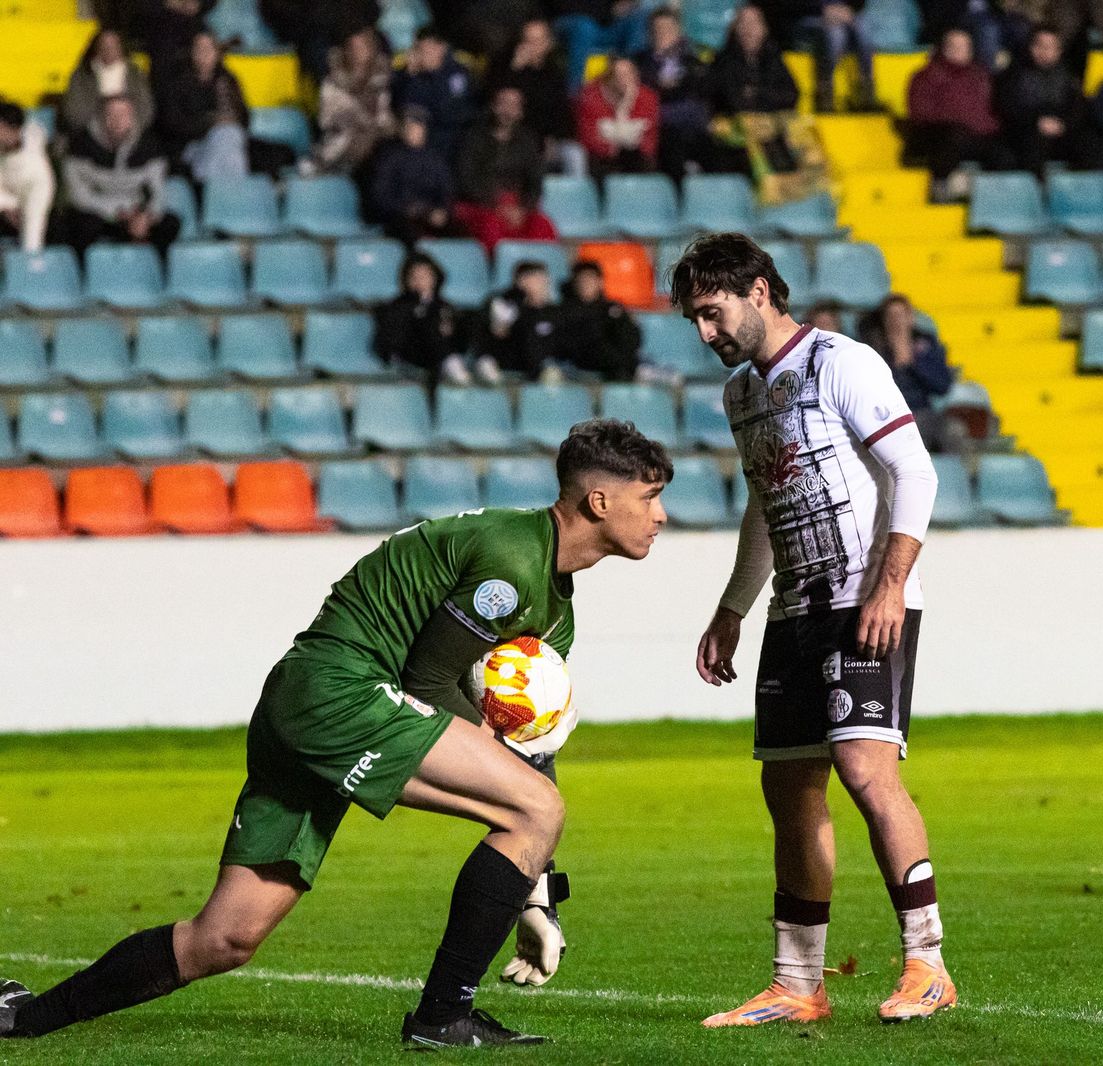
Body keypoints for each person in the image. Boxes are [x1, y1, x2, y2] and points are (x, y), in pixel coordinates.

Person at [0, 419, 673, 1050]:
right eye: (650, 498)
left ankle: (23, 1019)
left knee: (225, 938)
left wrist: (534, 889)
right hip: (337, 691)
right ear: (599, 500)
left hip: (309, 701)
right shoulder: (512, 561)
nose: (662, 516)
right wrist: (529, 835)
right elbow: (428, 684)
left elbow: (526, 750)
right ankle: (443, 1017)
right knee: (536, 806)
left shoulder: (557, 609)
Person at [672, 232, 952, 1028]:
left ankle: (927, 964)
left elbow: (915, 471)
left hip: (865, 596)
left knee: (865, 770)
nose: (705, 334)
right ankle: (799, 984)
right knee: (788, 785)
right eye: (695, 319)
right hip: (794, 606)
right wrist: (732, 607)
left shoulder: (843, 362)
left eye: (712, 313)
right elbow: (767, 502)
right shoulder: (743, 395)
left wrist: (889, 588)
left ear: (759, 290)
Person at [61, 94, 180, 256]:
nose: (117, 120)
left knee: (170, 223)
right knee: (81, 225)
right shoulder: (80, 145)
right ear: (101, 116)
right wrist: (117, 211)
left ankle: (152, 275)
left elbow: (158, 191)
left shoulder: (150, 145)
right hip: (99, 212)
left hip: (135, 213)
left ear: (132, 117)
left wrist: (147, 216)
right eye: (111, 114)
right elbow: (78, 195)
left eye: (123, 114)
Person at [454, 85, 557, 251]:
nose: (508, 111)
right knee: (490, 226)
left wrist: (523, 207)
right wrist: (497, 205)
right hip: (483, 205)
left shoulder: (527, 141)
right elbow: (467, 179)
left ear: (521, 111)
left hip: (518, 206)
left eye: (514, 106)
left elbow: (534, 180)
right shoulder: (473, 138)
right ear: (494, 106)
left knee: (543, 226)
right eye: (503, 104)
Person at [903, 28, 1002, 191]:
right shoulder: (925, 76)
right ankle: (939, 187)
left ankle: (995, 197)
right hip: (938, 135)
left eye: (964, 47)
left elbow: (990, 111)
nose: (959, 51)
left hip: (976, 136)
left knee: (1002, 153)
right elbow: (920, 113)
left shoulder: (981, 75)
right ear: (943, 48)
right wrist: (958, 121)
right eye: (953, 46)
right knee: (955, 136)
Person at [994, 26, 1099, 175]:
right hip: (1027, 131)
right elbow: (1007, 108)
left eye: (1050, 47)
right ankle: (1036, 194)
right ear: (1032, 47)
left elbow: (1078, 108)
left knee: (1090, 144)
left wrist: (1063, 125)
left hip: (1061, 130)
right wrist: (1036, 122)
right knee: (1031, 145)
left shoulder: (1068, 76)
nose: (1045, 51)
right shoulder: (1013, 74)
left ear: (1058, 50)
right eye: (1040, 46)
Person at [375, 250, 490, 385]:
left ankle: (483, 360)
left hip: (442, 351)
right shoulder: (398, 305)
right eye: (415, 277)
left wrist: (450, 328)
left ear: (434, 278)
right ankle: (450, 363)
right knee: (429, 321)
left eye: (424, 276)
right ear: (406, 280)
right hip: (412, 354)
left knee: (473, 318)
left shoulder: (444, 305)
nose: (420, 281)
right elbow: (393, 337)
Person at [858, 294, 955, 451]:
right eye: (891, 316)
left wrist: (913, 364)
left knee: (953, 430)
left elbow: (942, 386)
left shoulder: (926, 345)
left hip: (924, 413)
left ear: (911, 318)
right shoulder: (873, 349)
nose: (897, 321)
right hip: (886, 416)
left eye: (901, 315)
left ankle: (966, 475)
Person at [153, 29, 250, 182]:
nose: (204, 54)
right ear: (191, 52)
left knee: (230, 137)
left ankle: (213, 189)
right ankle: (232, 192)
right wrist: (211, 122)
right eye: (199, 49)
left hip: (228, 139)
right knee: (226, 139)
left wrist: (227, 120)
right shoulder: (177, 83)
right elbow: (172, 124)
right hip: (190, 144)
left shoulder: (228, 80)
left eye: (208, 49)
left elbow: (244, 118)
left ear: (217, 53)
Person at [487, 19, 577, 173]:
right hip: (513, 136)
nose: (532, 46)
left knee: (574, 154)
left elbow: (561, 112)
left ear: (548, 44)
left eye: (538, 41)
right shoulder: (502, 66)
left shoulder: (554, 73)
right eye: (528, 40)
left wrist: (554, 138)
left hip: (547, 138)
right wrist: (515, 67)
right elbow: (493, 100)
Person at [633, 9, 714, 179]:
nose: (662, 34)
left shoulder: (694, 63)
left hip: (689, 126)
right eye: (658, 30)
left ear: (678, 32)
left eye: (667, 29)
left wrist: (665, 90)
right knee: (670, 142)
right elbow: (640, 95)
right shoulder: (639, 63)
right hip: (657, 128)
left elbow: (699, 97)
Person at [309, 27, 395, 177]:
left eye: (362, 47)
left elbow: (384, 116)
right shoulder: (332, 81)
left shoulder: (383, 79)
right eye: (353, 47)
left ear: (371, 49)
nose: (358, 52)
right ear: (346, 50)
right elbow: (327, 119)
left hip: (376, 143)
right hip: (343, 141)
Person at [370, 107, 459, 242]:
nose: (411, 129)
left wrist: (442, 210)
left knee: (459, 234)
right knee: (410, 233)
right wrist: (405, 209)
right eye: (407, 125)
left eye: (416, 125)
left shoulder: (435, 159)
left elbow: (446, 191)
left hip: (429, 214)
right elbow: (380, 195)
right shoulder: (388, 157)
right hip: (399, 217)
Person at [392, 25, 477, 157]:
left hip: (447, 143)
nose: (421, 56)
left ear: (441, 48)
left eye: (425, 50)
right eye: (418, 50)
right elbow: (398, 104)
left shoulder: (457, 75)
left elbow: (451, 112)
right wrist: (408, 77)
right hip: (410, 141)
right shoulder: (410, 74)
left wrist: (433, 77)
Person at [61, 28, 155, 140]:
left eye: (114, 45)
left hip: (132, 136)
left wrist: (126, 124)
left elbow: (146, 109)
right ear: (96, 48)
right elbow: (74, 111)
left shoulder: (135, 75)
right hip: (89, 136)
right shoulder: (82, 76)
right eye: (104, 45)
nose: (109, 50)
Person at [575, 56, 660, 179]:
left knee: (638, 158)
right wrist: (617, 143)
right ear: (609, 77)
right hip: (602, 158)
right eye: (618, 75)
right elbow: (589, 137)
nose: (623, 80)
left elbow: (648, 140)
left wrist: (625, 106)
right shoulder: (590, 98)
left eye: (628, 74)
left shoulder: (648, 98)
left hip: (635, 158)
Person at [556, 259, 642, 381]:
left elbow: (631, 338)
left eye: (590, 279)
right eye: (582, 280)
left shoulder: (614, 309)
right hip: (582, 365)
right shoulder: (566, 312)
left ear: (600, 282)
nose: (585, 284)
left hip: (617, 363)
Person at [708, 6, 800, 117]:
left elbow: (791, 95)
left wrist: (757, 93)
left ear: (764, 29)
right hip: (734, 124)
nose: (748, 28)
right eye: (743, 23)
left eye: (754, 23)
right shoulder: (723, 60)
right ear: (735, 29)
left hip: (769, 121)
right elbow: (729, 99)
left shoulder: (773, 56)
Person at [480, 260, 563, 378]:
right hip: (512, 368)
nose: (544, 283)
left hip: (547, 369)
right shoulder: (506, 307)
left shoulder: (556, 311)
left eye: (545, 279)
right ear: (521, 282)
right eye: (537, 279)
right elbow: (496, 336)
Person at [553, 0, 652, 93]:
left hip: (606, 24)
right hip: (571, 21)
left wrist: (625, 5)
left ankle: (632, 85)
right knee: (584, 26)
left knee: (641, 16)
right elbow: (564, 6)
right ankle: (575, 93)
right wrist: (609, 10)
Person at [0, 101, 56, 254]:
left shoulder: (36, 165)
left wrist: (20, 210)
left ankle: (29, 270)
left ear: (13, 129)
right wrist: (7, 206)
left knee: (33, 238)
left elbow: (37, 203)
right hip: (7, 207)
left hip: (32, 205)